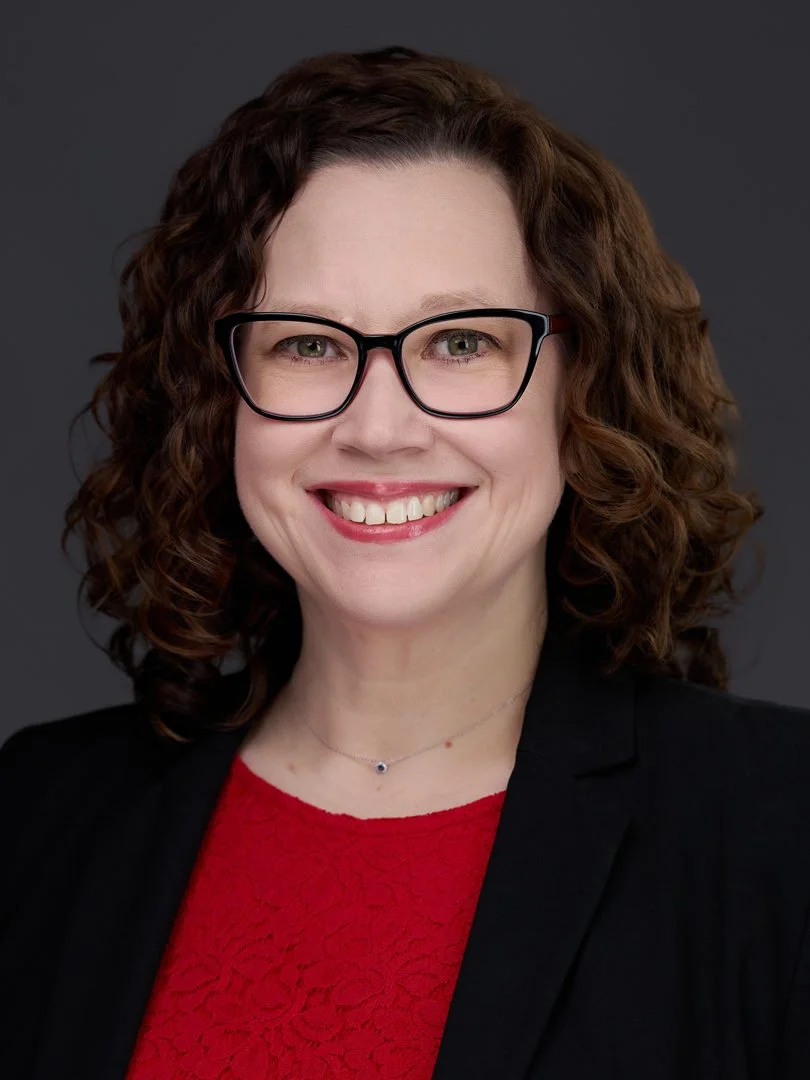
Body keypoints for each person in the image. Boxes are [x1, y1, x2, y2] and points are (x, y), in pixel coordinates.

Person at [1, 43, 809, 1080]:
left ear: (583, 389)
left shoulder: (781, 832)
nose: (379, 429)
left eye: (461, 343)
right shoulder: (40, 817)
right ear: (217, 398)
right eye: (307, 344)